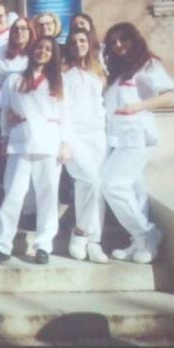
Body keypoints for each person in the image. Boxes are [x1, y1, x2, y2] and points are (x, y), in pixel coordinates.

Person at [0, 36, 70, 265]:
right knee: (13, 195)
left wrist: (65, 143)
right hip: (20, 142)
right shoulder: (14, 80)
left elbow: (66, 117)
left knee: (47, 197)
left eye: (48, 49)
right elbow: (4, 111)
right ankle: (1, 245)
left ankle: (43, 246)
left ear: (54, 54)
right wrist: (3, 137)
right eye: (40, 47)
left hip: (49, 145)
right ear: (32, 51)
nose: (43, 51)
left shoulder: (58, 83)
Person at [100, 22, 174, 263]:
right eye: (113, 43)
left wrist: (137, 106)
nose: (118, 45)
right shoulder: (120, 71)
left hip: (138, 136)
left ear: (135, 39)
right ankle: (140, 243)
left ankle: (147, 233)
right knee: (134, 189)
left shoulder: (148, 64)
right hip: (119, 138)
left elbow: (169, 95)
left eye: (123, 39)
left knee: (112, 184)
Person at [62, 28, 109, 263]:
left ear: (89, 44)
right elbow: (59, 109)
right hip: (73, 135)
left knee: (94, 188)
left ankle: (94, 242)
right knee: (91, 180)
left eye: (83, 40)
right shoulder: (63, 72)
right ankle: (80, 231)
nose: (78, 44)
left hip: (97, 135)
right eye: (74, 41)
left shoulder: (99, 72)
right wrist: (63, 141)